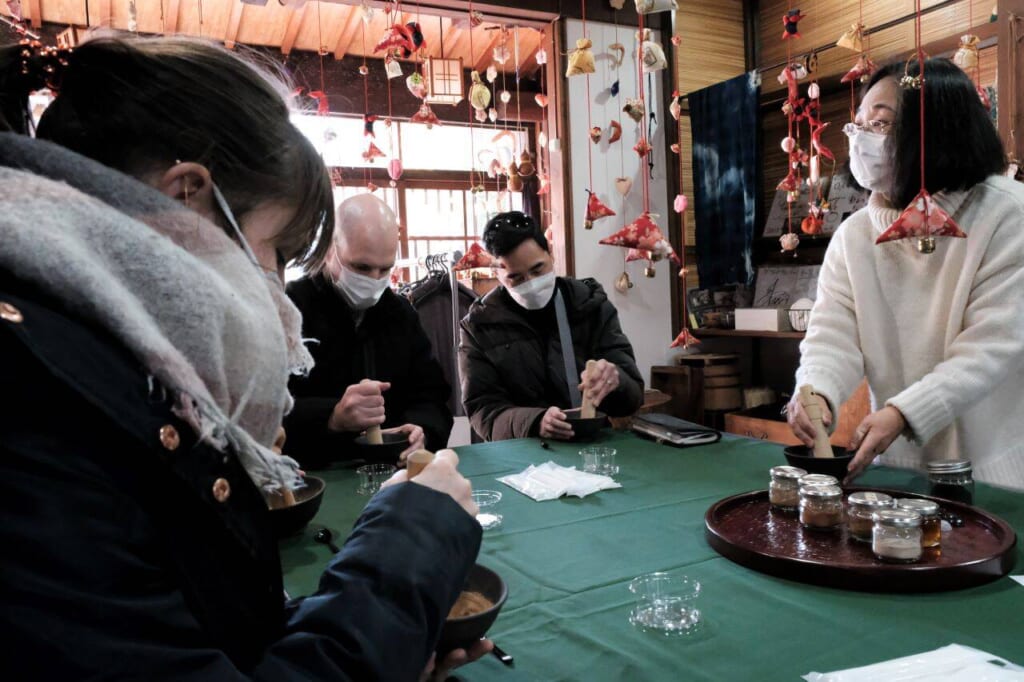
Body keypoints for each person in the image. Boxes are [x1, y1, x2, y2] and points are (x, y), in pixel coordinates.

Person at [0, 35, 488, 679]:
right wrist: (409, 543)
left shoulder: (107, 362)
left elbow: (208, 629)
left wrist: (379, 648)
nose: (274, 295)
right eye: (274, 251)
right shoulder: (36, 397)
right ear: (185, 200)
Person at [787, 58, 1024, 490]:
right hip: (898, 475)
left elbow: (994, 345)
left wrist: (903, 413)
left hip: (998, 473)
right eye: (859, 124)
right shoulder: (853, 235)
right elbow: (832, 335)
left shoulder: (1009, 213)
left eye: (881, 125)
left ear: (937, 132)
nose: (861, 139)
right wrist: (816, 390)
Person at [285, 194, 453, 468]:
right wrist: (332, 416)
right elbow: (261, 412)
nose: (374, 280)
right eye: (361, 267)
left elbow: (431, 395)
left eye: (385, 269)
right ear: (329, 249)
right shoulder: (288, 310)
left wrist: (422, 432)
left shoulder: (400, 313)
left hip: (393, 476)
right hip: (317, 477)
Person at [460, 211, 644, 441]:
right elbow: (482, 410)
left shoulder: (590, 305)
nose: (532, 284)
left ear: (551, 255)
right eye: (516, 278)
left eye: (538, 269)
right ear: (497, 274)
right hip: (522, 457)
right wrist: (535, 421)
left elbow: (634, 398)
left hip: (590, 448)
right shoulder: (480, 326)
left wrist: (617, 380)